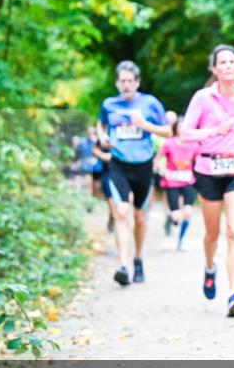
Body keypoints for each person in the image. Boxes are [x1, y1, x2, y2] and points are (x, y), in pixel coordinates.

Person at [181, 44, 234, 317]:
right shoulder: (203, 98)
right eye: (223, 62)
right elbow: (185, 133)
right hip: (208, 169)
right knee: (212, 234)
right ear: (215, 69)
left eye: (232, 61)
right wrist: (215, 130)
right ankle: (209, 267)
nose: (228, 66)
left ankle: (233, 294)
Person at [97, 60, 171, 286]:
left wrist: (144, 125)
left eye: (130, 81)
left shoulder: (150, 103)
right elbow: (101, 124)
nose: (126, 85)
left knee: (139, 218)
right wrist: (102, 137)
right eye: (122, 81)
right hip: (119, 164)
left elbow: (168, 131)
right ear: (117, 83)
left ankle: (138, 258)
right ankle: (123, 266)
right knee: (121, 212)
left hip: (143, 165)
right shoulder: (109, 104)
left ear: (137, 82)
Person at [156, 117, 200, 250]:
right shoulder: (169, 143)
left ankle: (181, 241)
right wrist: (164, 171)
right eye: (180, 127)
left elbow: (199, 162)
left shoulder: (194, 144)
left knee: (187, 212)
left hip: (188, 181)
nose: (182, 130)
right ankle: (171, 218)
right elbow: (157, 160)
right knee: (176, 216)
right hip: (172, 183)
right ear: (176, 128)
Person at [75, 126, 104, 198]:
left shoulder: (99, 141)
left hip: (97, 167)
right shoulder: (82, 142)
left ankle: (93, 197)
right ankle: (89, 199)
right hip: (86, 166)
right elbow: (78, 153)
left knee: (96, 184)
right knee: (88, 182)